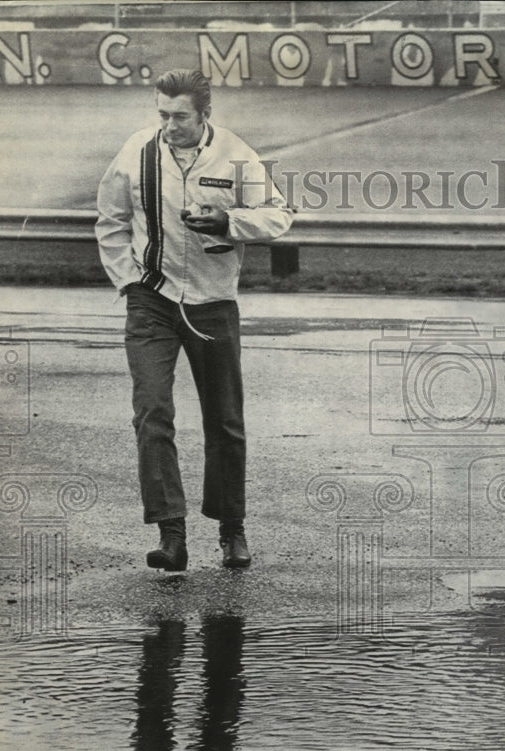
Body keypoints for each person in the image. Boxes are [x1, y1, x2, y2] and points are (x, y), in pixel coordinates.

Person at [96, 68, 292, 571]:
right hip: (152, 300)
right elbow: (111, 221)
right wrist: (128, 281)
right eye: (161, 114)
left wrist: (231, 220)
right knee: (152, 412)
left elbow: (278, 214)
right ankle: (171, 533)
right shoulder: (137, 152)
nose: (168, 125)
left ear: (205, 114)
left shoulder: (235, 153)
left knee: (224, 421)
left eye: (179, 116)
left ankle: (232, 531)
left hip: (213, 301)